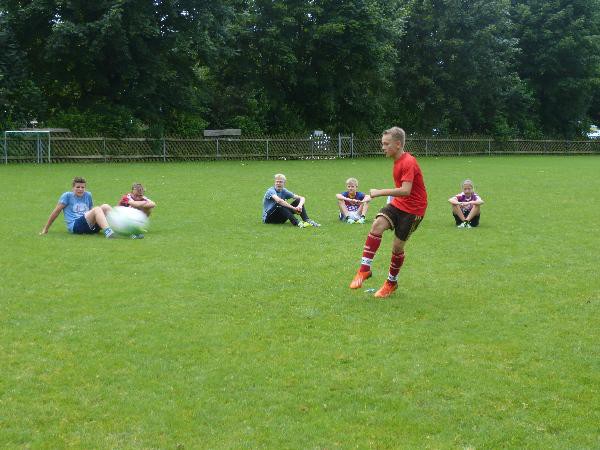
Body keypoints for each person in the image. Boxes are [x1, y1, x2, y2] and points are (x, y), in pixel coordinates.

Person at [349, 127, 428, 298]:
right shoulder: (397, 161)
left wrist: (379, 192)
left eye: (386, 144)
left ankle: (391, 283)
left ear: (398, 144)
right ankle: (364, 269)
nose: (383, 147)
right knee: (377, 225)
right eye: (382, 144)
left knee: (397, 247)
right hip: (399, 203)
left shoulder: (408, 162)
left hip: (414, 209)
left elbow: (406, 190)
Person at [40, 176, 116, 238]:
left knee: (105, 206)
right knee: (97, 209)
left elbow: (91, 211)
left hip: (90, 227)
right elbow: (56, 212)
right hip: (76, 226)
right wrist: (45, 229)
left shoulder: (88, 195)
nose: (80, 189)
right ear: (73, 188)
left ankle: (118, 228)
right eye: (78, 187)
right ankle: (108, 232)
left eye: (82, 187)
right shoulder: (67, 196)